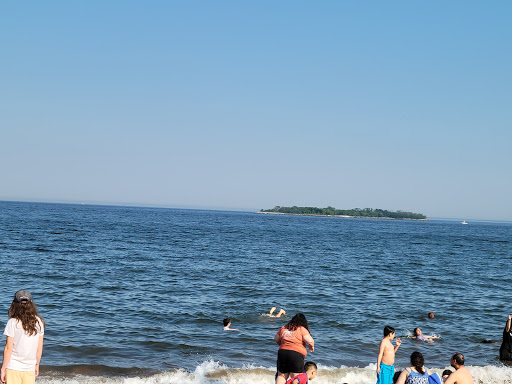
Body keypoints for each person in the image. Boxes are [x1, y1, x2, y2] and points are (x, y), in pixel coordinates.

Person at [1, 290, 45, 384]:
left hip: (13, 367)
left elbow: (8, 348)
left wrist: (3, 369)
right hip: (29, 368)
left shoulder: (12, 322)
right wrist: (37, 364)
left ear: (14, 304)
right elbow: (39, 347)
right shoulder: (39, 322)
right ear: (31, 304)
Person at [274, 313, 314, 384]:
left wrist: (283, 345)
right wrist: (312, 346)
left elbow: (276, 338)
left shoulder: (284, 328)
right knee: (295, 377)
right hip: (296, 355)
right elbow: (309, 340)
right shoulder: (301, 329)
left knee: (281, 376)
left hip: (282, 353)